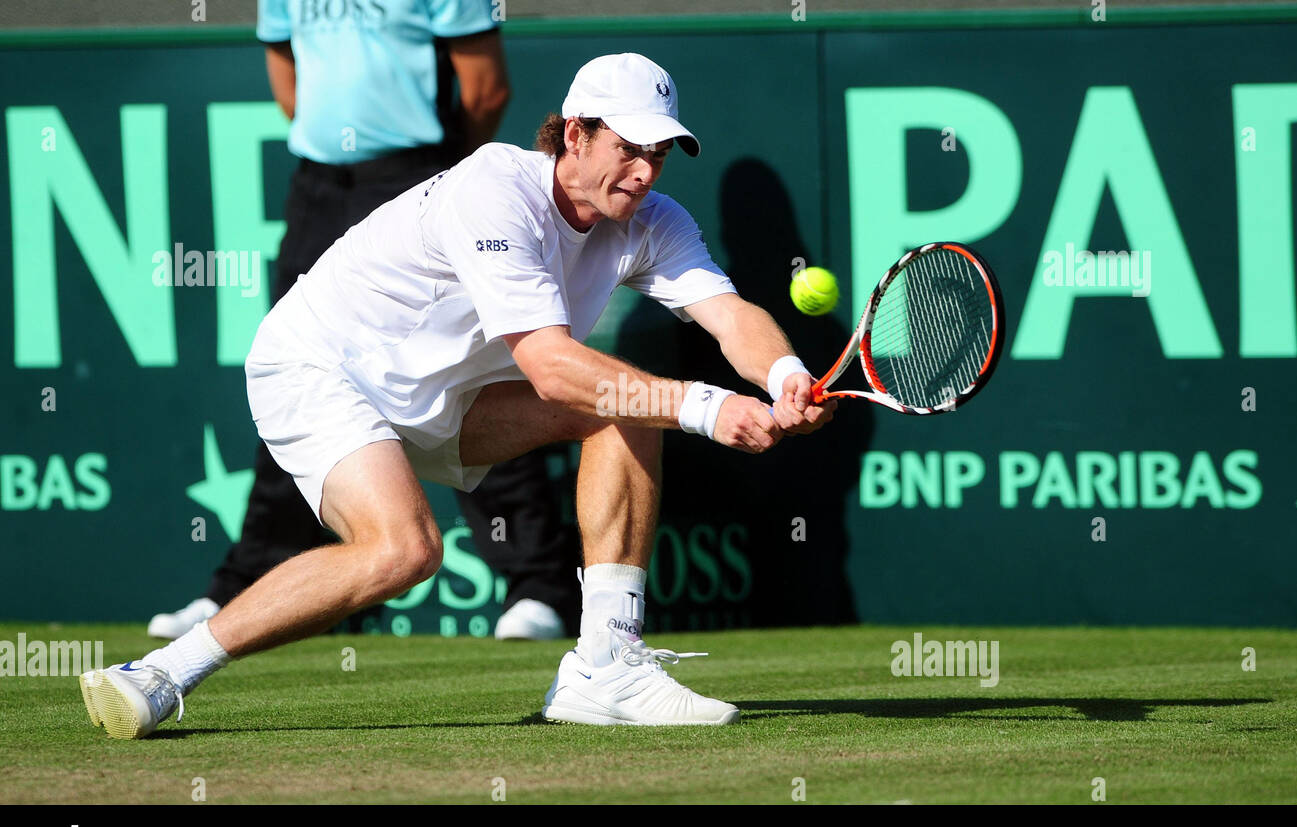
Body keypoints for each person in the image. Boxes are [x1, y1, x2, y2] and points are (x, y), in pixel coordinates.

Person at [79, 53, 835, 738]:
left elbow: (730, 316)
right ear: (574, 134)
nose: (644, 172)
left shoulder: (651, 222)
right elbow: (547, 366)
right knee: (403, 550)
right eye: (629, 148)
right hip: (321, 365)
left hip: (447, 394)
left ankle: (606, 663)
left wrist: (781, 376)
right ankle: (158, 674)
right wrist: (708, 407)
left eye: (659, 154)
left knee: (626, 406)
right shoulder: (495, 189)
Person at [146, 0, 579, 645]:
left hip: (419, 176)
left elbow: (486, 88)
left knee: (476, 369)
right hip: (322, 185)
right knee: (309, 374)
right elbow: (288, 84)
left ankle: (538, 584)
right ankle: (246, 585)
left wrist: (436, 172)